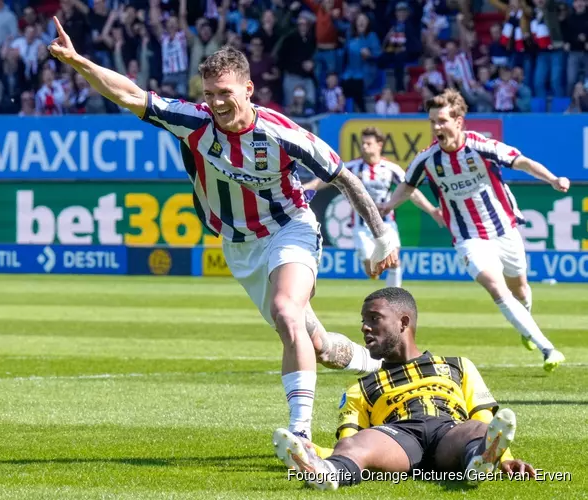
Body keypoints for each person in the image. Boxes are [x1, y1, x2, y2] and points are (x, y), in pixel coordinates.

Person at [48, 19, 399, 442]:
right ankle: (379, 366)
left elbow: (345, 178)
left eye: (225, 93)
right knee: (317, 345)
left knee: (286, 310)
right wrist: (77, 61)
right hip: (239, 245)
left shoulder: (282, 134)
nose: (216, 102)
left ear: (248, 90)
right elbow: (128, 94)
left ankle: (300, 434)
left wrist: (382, 237)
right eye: (210, 94)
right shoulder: (192, 122)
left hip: (290, 227)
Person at [273, 287, 537, 490]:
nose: (364, 327)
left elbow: (485, 420)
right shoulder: (361, 385)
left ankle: (478, 462)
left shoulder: (458, 366)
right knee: (358, 443)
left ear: (403, 322)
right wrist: (312, 451)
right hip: (398, 437)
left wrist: (505, 458)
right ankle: (327, 471)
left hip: (449, 432)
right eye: (364, 320)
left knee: (477, 430)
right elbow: (347, 440)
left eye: (374, 318)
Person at [380, 89, 567, 372]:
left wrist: (553, 179)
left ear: (458, 121)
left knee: (521, 289)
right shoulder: (427, 159)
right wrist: (388, 205)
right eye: (432, 122)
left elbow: (523, 161)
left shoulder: (482, 146)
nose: (437, 127)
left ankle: (524, 323)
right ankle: (547, 348)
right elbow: (407, 185)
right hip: (468, 237)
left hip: (504, 229)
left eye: (442, 120)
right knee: (496, 286)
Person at [302, 127, 444, 287]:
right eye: (362, 144)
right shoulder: (352, 167)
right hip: (361, 227)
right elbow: (324, 179)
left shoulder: (390, 168)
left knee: (394, 261)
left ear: (380, 145)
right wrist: (307, 187)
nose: (364, 147)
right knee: (372, 269)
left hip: (386, 224)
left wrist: (432, 210)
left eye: (369, 143)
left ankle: (394, 299)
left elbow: (411, 191)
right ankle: (375, 272)